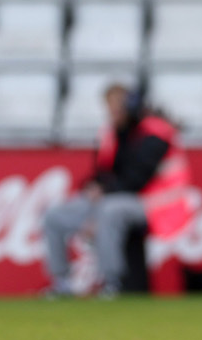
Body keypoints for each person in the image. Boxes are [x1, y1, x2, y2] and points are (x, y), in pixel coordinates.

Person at [42, 83, 191, 298]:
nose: (112, 113)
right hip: (114, 197)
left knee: (109, 211)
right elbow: (103, 173)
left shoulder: (155, 133)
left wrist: (101, 196)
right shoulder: (112, 133)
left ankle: (112, 282)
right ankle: (62, 282)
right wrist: (91, 188)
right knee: (55, 216)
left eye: (117, 108)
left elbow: (136, 179)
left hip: (157, 204)